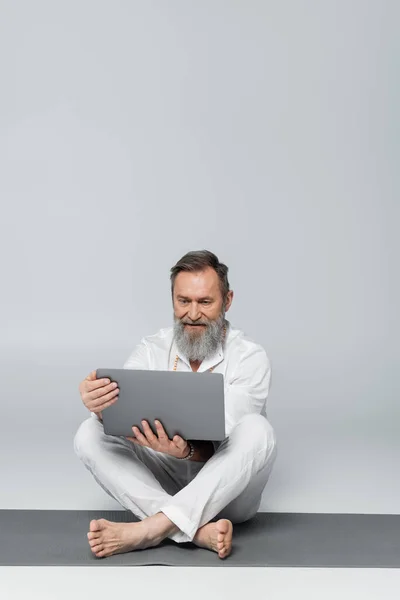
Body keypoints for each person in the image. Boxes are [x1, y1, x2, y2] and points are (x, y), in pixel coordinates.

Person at [74, 250, 277, 559]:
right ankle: (190, 530)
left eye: (205, 302)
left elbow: (229, 433)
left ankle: (149, 530)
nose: (192, 314)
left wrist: (186, 451)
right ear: (172, 299)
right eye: (183, 301)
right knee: (88, 433)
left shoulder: (250, 357)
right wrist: (99, 403)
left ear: (228, 300)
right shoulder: (151, 348)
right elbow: (123, 409)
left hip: (228, 494)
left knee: (258, 430)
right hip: (163, 480)